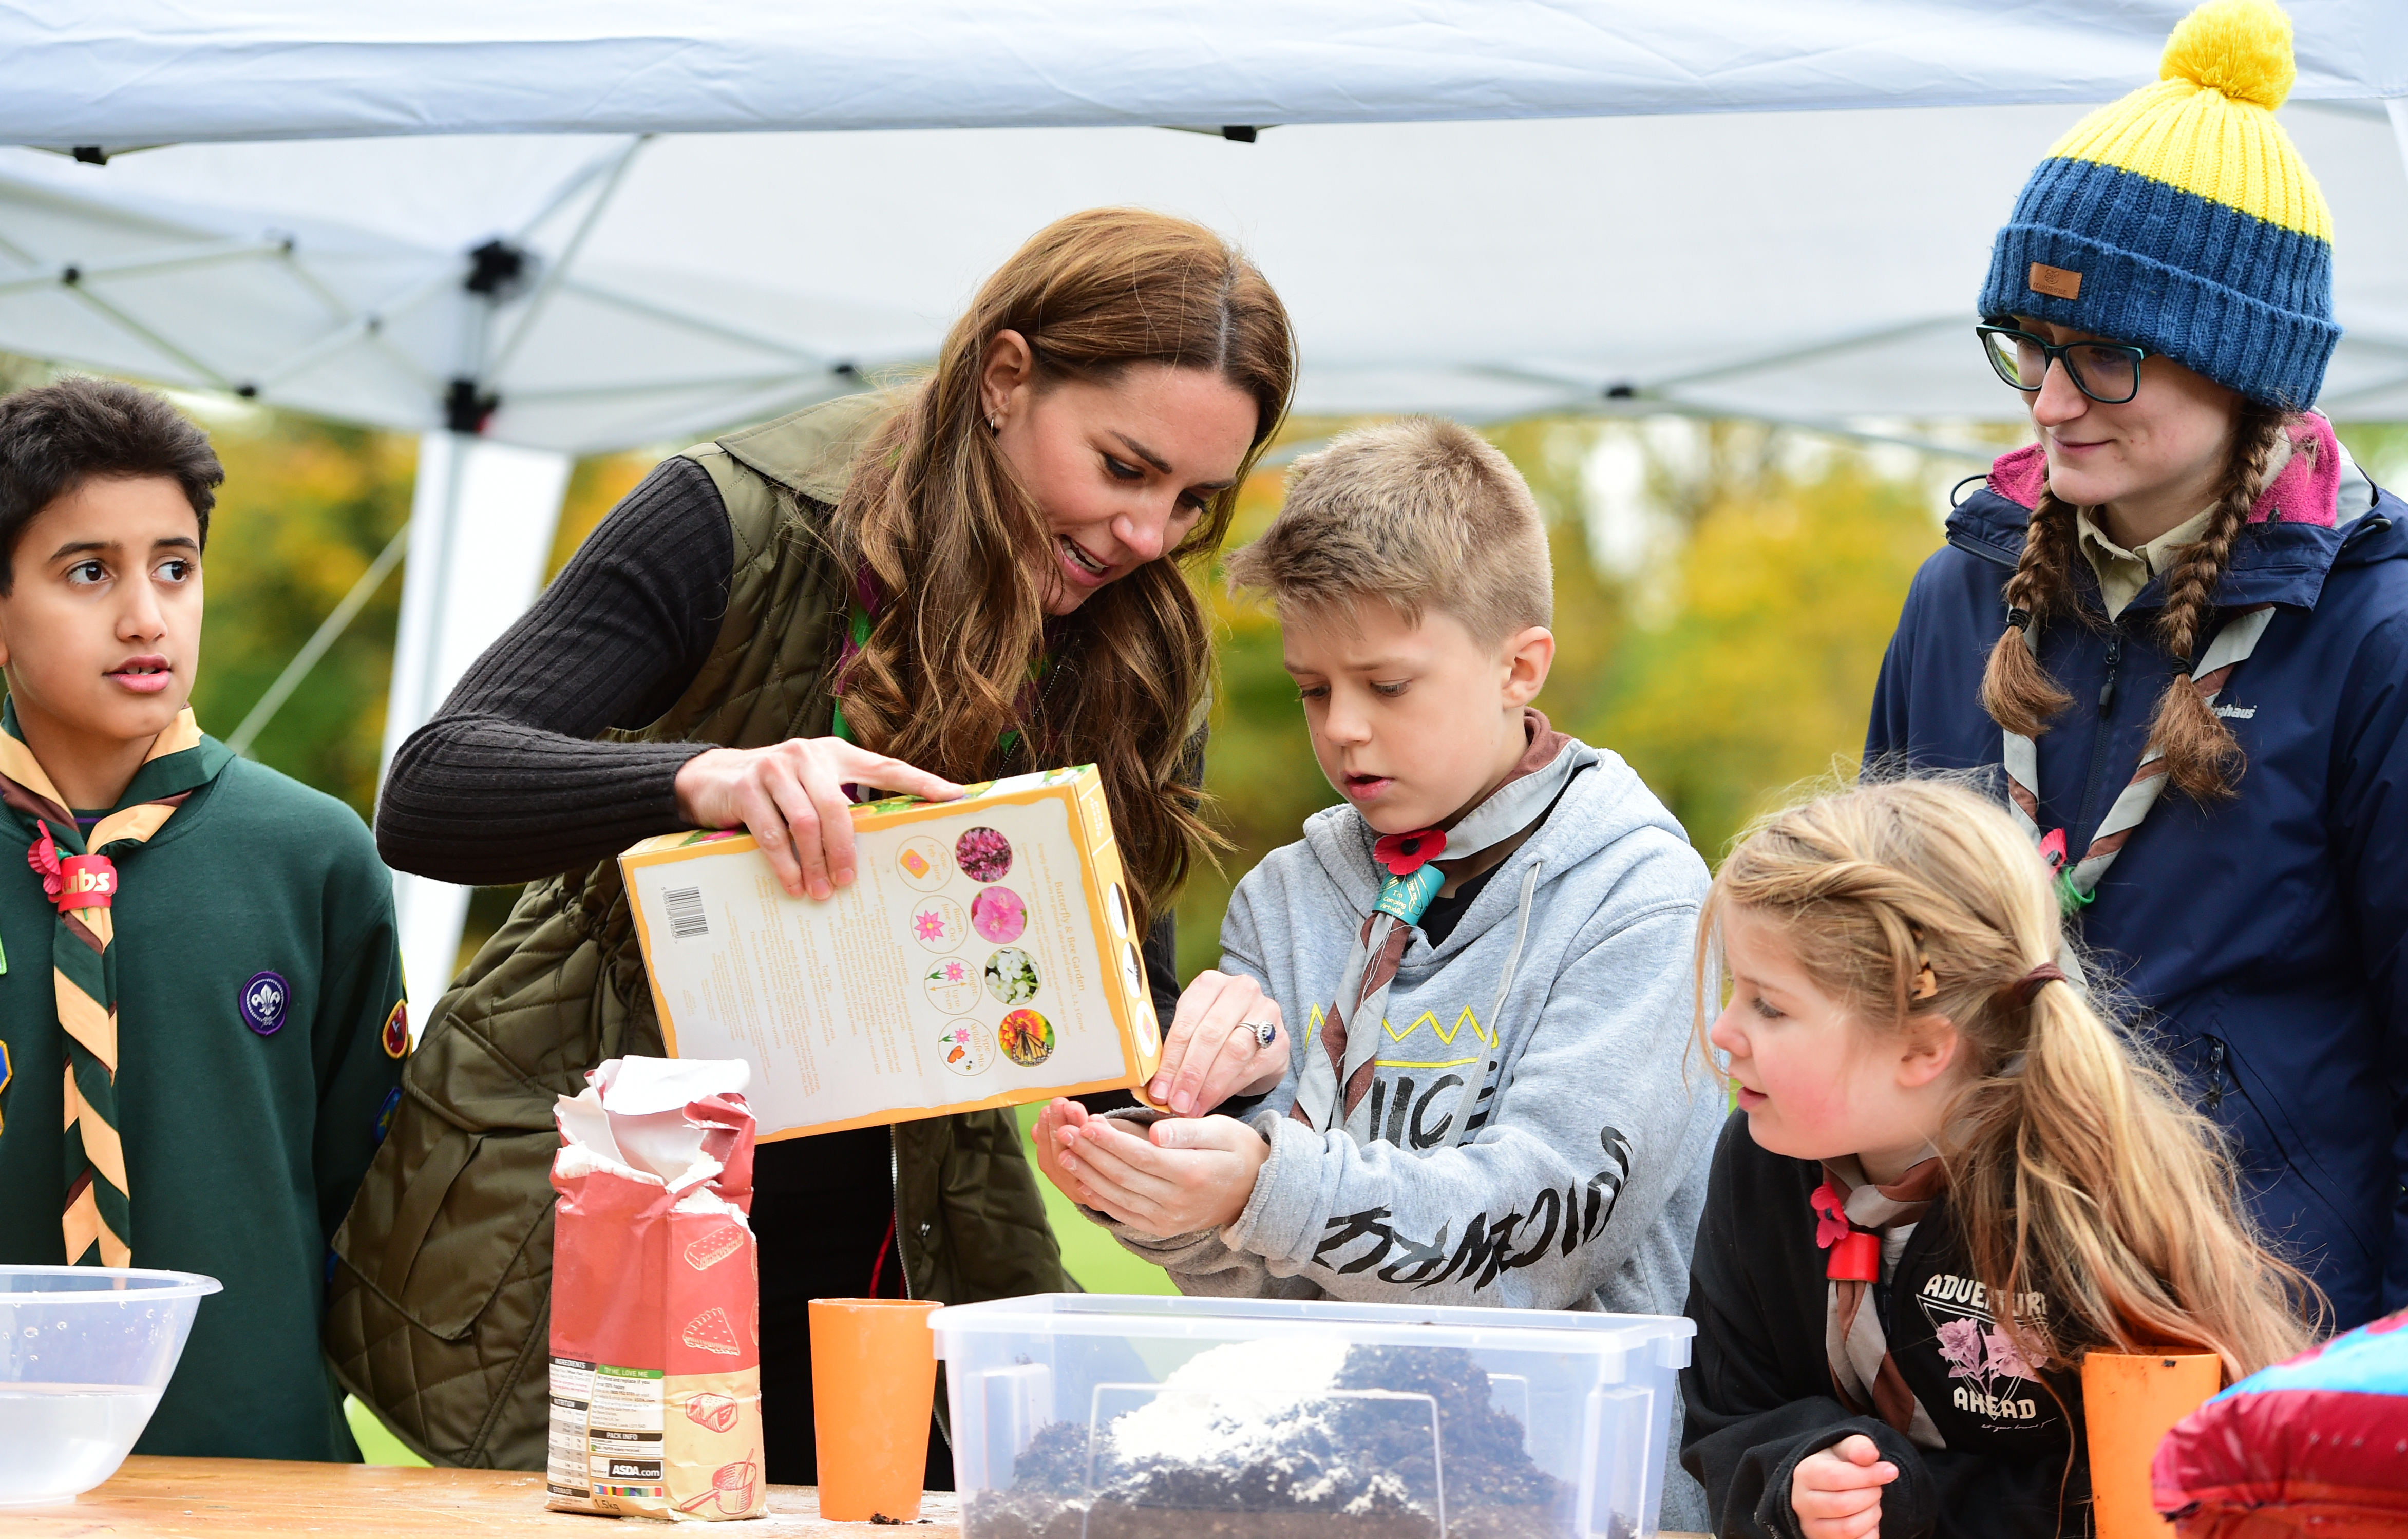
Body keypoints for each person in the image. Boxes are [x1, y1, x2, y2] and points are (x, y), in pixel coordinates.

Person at [336, 208, 1297, 1479]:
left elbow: (1117, 1022)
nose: (1147, 536)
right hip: (606, 1223)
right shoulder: (726, 516)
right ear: (1005, 378)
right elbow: (431, 791)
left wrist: (1213, 1066)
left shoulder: (1143, 652)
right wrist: (700, 778)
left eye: (1192, 500)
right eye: (1123, 469)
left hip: (897, 1250)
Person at [1031, 418, 1724, 1528]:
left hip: (1574, 1500)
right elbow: (1269, 1292)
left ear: (1518, 665)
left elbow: (1537, 1244)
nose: (1344, 729)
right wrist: (1163, 1191)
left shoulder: (1639, 897)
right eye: (1312, 689)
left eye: (1387, 684)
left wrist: (1264, 1183)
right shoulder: (1283, 899)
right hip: (1334, 1499)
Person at [1864, 0, 2408, 1328]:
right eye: (2029, 349)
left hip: (2259, 1335)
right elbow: (1862, 973)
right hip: (1976, 1316)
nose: (2050, 399)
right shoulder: (1954, 602)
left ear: (2242, 372)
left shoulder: (2374, 637)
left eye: (2102, 357)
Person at [1681, 779, 2316, 1539]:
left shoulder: (2074, 1191)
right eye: (1732, 991)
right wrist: (1795, 1478)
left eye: (1769, 1005)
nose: (1723, 1030)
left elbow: (2149, 1486)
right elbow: (1727, 1415)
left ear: (1921, 1048)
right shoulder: (1763, 1160)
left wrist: (1910, 1500)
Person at [0, 377, 406, 1459]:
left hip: (260, 1461)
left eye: (174, 567)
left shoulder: (313, 855)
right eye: (89, 571)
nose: (146, 615)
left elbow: (363, 1188)